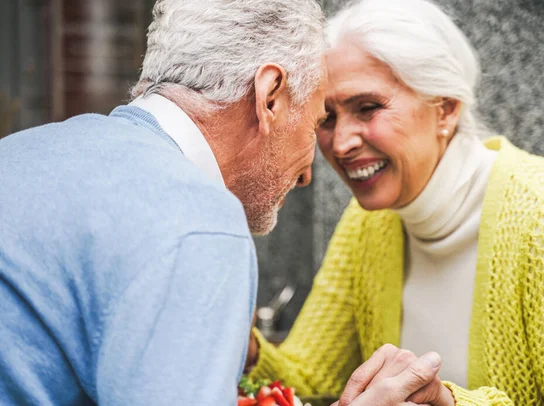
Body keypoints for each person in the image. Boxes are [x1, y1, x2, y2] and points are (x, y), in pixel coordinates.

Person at [245, 0, 544, 405]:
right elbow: (310, 380)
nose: (340, 143)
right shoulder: (367, 222)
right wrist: (246, 349)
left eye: (368, 108)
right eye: (327, 117)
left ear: (446, 108)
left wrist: (450, 402)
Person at [0, 0, 330, 404]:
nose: (308, 174)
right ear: (270, 97)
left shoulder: (17, 153)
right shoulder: (200, 224)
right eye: (316, 122)